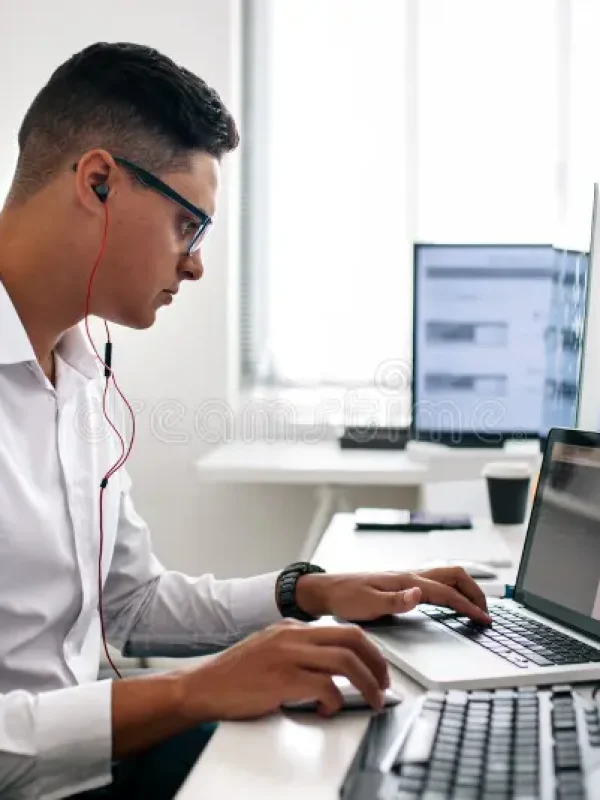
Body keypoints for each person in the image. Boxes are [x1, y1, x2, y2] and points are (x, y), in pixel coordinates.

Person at [0, 42, 491, 800]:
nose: (195, 264)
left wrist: (309, 592)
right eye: (187, 225)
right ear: (98, 182)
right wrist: (193, 691)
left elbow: (129, 602)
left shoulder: (80, 372)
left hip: (81, 766)